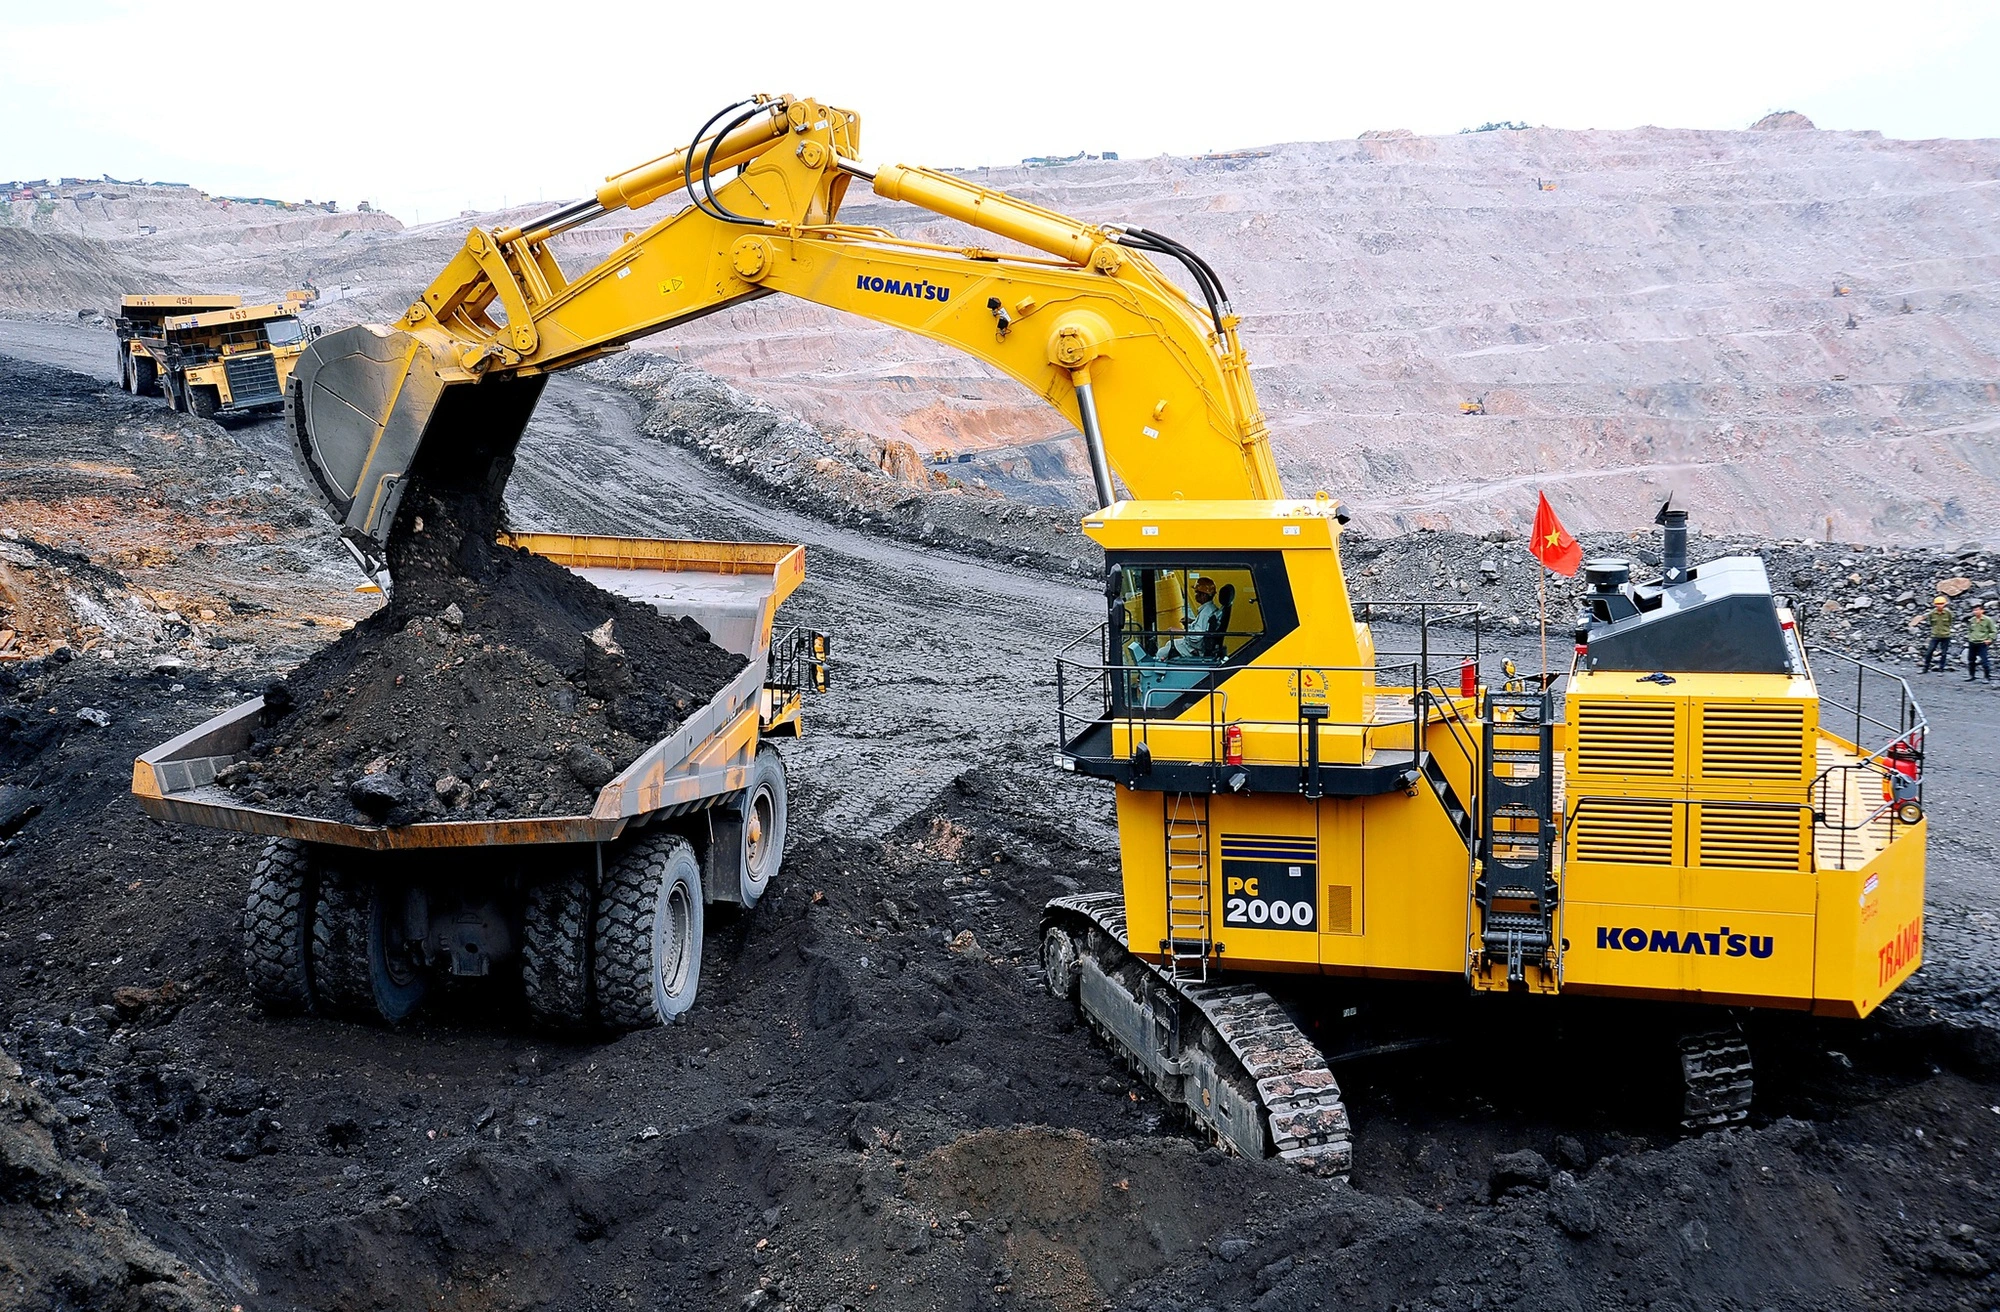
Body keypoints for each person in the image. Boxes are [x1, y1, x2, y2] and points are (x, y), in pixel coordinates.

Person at [1168, 575, 1222, 659]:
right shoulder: (1210, 609)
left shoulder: (1205, 613)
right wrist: (1191, 621)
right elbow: (1204, 626)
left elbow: (1197, 636)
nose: (1195, 595)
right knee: (1169, 644)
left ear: (1204, 595)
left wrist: (1180, 631)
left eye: (1197, 592)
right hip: (1197, 646)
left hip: (1196, 649)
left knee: (1162, 652)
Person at [1923, 597, 1954, 673]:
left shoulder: (1948, 613)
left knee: (1943, 653)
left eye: (1941, 604)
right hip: (1935, 635)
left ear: (1945, 604)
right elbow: (1931, 623)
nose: (1939, 606)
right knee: (1929, 652)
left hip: (1945, 635)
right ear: (1934, 604)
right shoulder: (1932, 613)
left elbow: (1951, 621)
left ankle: (1941, 669)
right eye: (1937, 604)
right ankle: (1925, 668)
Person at [1968, 604, 1995, 682]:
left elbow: (1993, 631)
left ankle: (1986, 677)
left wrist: (1990, 639)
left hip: (1982, 643)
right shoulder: (1972, 620)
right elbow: (1970, 630)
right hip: (1972, 642)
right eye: (1974, 610)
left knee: (1984, 660)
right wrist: (1970, 638)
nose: (1975, 612)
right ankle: (1971, 675)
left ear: (1982, 611)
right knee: (1971, 660)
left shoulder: (1987, 620)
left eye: (1977, 610)